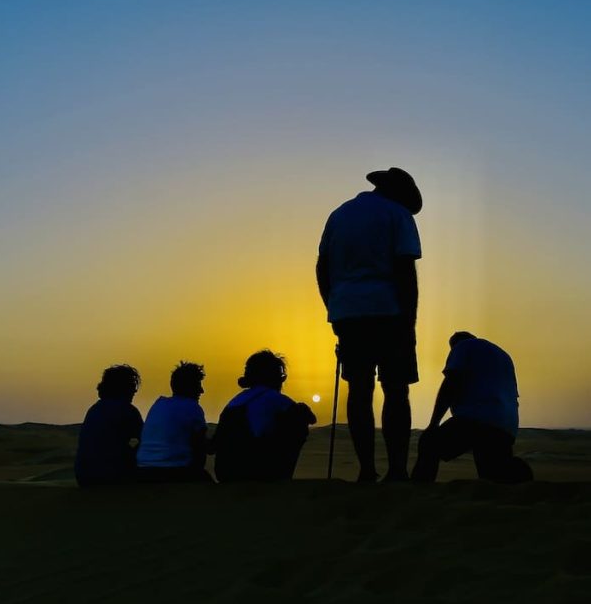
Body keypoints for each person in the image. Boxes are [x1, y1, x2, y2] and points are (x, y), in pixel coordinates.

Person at [316, 167, 422, 482]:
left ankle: (366, 470)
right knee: (396, 389)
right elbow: (405, 271)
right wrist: (410, 320)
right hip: (389, 312)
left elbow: (322, 268)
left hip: (349, 314)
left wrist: (333, 307)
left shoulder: (339, 215)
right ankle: (397, 470)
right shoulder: (398, 215)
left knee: (359, 390)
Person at [411, 332, 533, 484]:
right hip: (506, 425)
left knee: (430, 443)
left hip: (475, 419)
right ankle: (519, 475)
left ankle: (418, 490)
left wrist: (433, 423)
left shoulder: (463, 347)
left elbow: (451, 383)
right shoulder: (503, 356)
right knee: (493, 474)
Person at [212, 350, 316, 482]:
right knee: (298, 420)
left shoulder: (235, 401)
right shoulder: (276, 399)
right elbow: (311, 419)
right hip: (254, 471)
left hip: (224, 471)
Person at [135, 361, 213, 483]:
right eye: (198, 385)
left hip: (143, 470)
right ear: (190, 387)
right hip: (174, 471)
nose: (201, 391)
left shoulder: (158, 404)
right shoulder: (191, 407)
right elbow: (200, 444)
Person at [74, 364, 144, 487]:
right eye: (132, 385)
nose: (134, 391)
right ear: (124, 387)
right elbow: (145, 440)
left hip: (84, 478)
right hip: (111, 477)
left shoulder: (95, 409)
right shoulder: (127, 411)